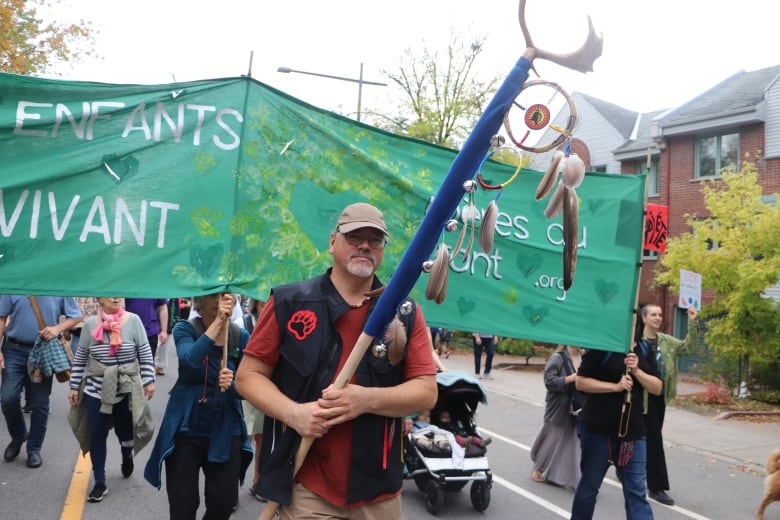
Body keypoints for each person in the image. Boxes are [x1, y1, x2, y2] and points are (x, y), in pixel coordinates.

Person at [235, 202, 437, 519]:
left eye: (375, 239)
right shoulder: (290, 301)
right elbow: (247, 377)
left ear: (383, 249)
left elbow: (426, 391)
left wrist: (365, 400)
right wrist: (296, 413)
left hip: (378, 493)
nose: (365, 246)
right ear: (333, 242)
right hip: (306, 482)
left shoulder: (404, 312)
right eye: (354, 236)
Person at [143, 292, 251, 520]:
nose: (218, 301)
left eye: (225, 296)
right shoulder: (186, 329)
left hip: (225, 430)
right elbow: (189, 362)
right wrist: (219, 323)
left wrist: (231, 386)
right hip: (186, 429)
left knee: (223, 504)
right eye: (212, 296)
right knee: (183, 507)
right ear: (199, 301)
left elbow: (249, 386)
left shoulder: (240, 337)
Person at [67, 297, 156, 503]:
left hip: (126, 388)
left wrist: (148, 380)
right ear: (100, 299)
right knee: (97, 433)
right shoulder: (90, 324)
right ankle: (99, 481)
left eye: (119, 295)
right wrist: (73, 386)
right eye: (111, 295)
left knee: (125, 432)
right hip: (95, 389)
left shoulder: (133, 321)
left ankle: (127, 454)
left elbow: (144, 352)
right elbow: (81, 357)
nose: (116, 298)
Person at [570, 342, 662, 520]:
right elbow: (581, 382)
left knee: (636, 492)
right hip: (598, 433)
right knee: (589, 487)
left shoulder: (643, 348)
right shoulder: (604, 345)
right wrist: (615, 387)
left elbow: (657, 388)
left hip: (632, 435)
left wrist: (637, 371)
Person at [0, 295, 82, 469]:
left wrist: (57, 328)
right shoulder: (16, 284)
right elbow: (1, 317)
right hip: (13, 350)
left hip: (43, 350)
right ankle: (19, 435)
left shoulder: (56, 285)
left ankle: (34, 448)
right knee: (8, 398)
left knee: (39, 403)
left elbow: (76, 315)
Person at [639, 304, 699, 506]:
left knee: (649, 439)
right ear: (644, 317)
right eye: (653, 314)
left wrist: (691, 321)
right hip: (638, 395)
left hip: (658, 398)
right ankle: (655, 486)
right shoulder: (634, 341)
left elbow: (688, 347)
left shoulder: (666, 341)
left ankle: (643, 478)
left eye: (660, 314)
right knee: (644, 438)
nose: (658, 317)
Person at [530, 345, 581, 489]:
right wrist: (571, 378)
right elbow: (549, 381)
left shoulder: (583, 358)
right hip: (558, 405)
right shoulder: (558, 358)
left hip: (577, 405)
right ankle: (538, 467)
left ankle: (575, 476)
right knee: (553, 436)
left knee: (574, 439)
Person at [240, 297, 268, 502]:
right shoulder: (245, 323)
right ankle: (232, 481)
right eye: (263, 303)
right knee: (242, 437)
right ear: (256, 305)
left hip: (268, 389)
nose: (267, 306)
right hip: (244, 388)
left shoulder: (282, 325)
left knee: (262, 438)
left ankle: (258, 481)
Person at [123, 298, 168, 372]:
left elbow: (163, 307)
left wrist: (164, 331)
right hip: (128, 332)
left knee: (147, 367)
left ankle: (147, 382)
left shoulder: (156, 287)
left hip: (149, 333)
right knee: (127, 368)